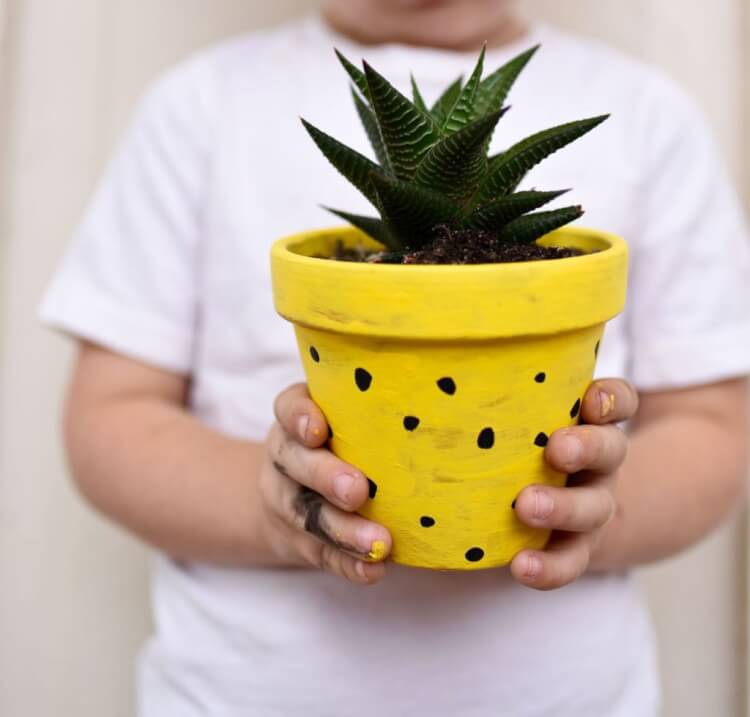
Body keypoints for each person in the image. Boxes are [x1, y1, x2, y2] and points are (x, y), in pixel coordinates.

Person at [40, 0, 750, 714]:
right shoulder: (200, 105)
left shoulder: (648, 115)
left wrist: (599, 509)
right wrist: (273, 511)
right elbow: (111, 417)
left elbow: (714, 424)